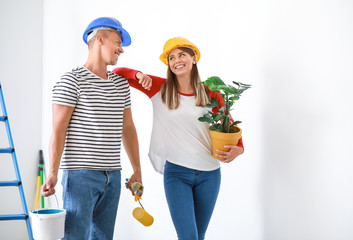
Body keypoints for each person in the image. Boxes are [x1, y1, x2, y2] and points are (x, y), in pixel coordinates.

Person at [113, 37, 244, 240]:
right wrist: (138, 74)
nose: (176, 60)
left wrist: (240, 148)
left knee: (198, 236)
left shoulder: (211, 94)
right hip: (176, 174)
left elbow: (231, 126)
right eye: (171, 58)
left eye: (181, 54)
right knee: (188, 237)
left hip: (210, 174)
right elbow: (117, 73)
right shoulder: (159, 88)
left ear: (193, 58)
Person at [41, 17, 146, 240]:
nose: (121, 50)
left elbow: (127, 128)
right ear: (100, 39)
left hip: (113, 176)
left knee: (103, 237)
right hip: (80, 176)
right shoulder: (71, 80)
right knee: (75, 236)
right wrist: (52, 173)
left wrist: (137, 169)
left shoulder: (120, 84)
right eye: (117, 43)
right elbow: (58, 130)